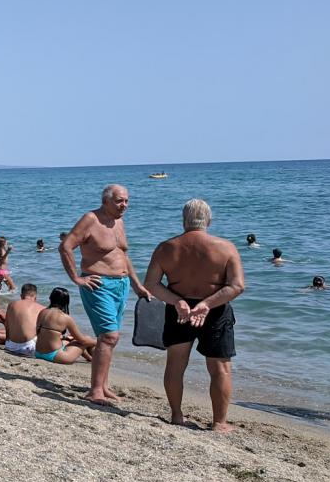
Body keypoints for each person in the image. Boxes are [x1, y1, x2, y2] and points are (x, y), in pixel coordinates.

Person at [144, 199, 246, 433]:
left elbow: (151, 284)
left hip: (179, 310)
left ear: (184, 220)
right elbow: (237, 286)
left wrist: (177, 300)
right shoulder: (225, 248)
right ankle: (219, 422)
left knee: (175, 365)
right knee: (220, 368)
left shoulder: (165, 248)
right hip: (215, 309)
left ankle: (177, 416)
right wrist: (207, 304)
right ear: (209, 220)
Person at [59, 184, 151, 404]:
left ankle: (102, 386)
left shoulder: (119, 221)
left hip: (122, 285)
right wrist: (77, 279)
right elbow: (66, 246)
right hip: (98, 285)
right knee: (110, 336)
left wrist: (138, 286)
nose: (124, 205)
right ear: (106, 201)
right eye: (120, 201)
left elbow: (122, 255)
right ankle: (95, 391)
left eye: (127, 201)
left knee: (108, 338)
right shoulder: (91, 219)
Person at [34, 287, 98, 364]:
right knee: (87, 339)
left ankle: (90, 359)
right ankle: (98, 361)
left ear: (51, 298)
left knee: (70, 340)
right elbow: (82, 340)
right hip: (55, 356)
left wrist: (64, 337)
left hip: (38, 353)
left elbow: (40, 333)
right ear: (66, 302)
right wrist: (99, 342)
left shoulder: (42, 312)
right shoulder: (65, 317)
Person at [2, 283, 43, 356]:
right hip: (29, 348)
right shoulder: (41, 308)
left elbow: (7, 325)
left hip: (10, 346)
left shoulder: (11, 305)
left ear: (21, 296)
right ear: (35, 297)